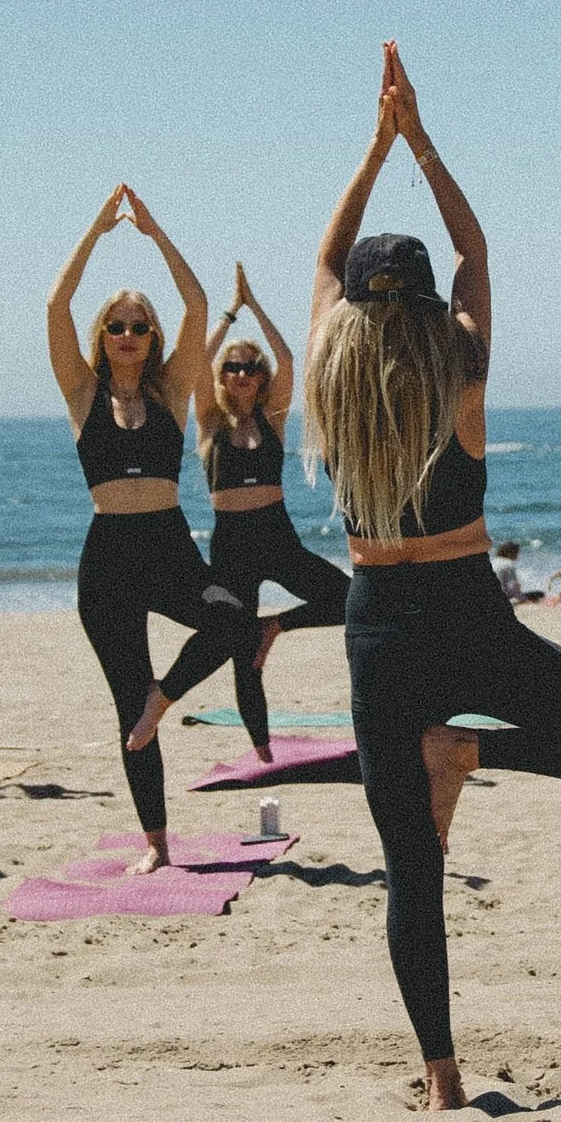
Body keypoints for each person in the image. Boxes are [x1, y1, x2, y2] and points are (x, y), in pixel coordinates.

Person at [307, 46, 561, 1106]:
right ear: (429, 307)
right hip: (468, 614)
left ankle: (441, 1078)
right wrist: (416, 142)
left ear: (350, 312)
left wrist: (370, 145)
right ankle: (470, 747)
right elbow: (475, 249)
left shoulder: (327, 379)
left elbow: (326, 257)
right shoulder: (459, 370)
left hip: (379, 622)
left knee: (410, 868)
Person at [47, 186, 253, 867]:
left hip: (167, 545)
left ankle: (163, 699)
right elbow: (55, 307)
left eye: (138, 326)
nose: (128, 335)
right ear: (102, 337)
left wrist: (157, 230)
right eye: (117, 326)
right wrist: (96, 231)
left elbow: (197, 304)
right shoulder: (83, 392)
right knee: (124, 703)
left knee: (233, 621)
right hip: (106, 558)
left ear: (153, 337)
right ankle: (157, 845)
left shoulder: (171, 391)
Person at [195, 266, 351, 764]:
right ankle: (262, 748)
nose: (242, 375)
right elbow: (195, 363)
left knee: (349, 599)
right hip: (231, 544)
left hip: (275, 535)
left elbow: (286, 357)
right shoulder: (209, 421)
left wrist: (255, 304)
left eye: (250, 368)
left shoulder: (273, 417)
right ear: (222, 377)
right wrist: (229, 312)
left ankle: (276, 627)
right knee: (243, 655)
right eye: (233, 368)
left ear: (261, 379)